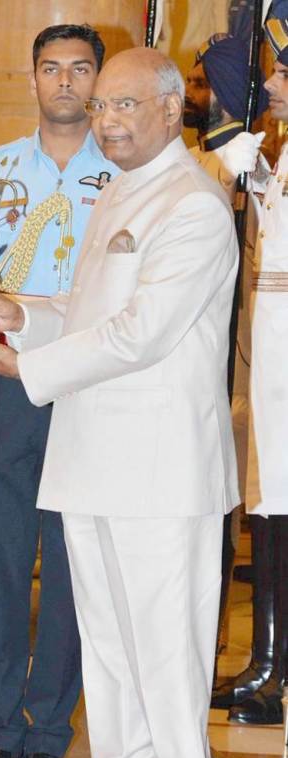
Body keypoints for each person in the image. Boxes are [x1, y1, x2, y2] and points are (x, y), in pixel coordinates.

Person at [0, 47, 239, 758]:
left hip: (158, 472)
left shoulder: (194, 205)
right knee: (112, 655)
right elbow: (88, 314)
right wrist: (21, 314)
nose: (107, 119)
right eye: (102, 106)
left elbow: (142, 333)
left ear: (171, 110)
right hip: (91, 462)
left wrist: (26, 369)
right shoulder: (118, 192)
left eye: (124, 104)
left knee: (167, 655)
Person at [0, 23, 118, 758]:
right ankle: (0, 736)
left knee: (69, 564)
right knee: (2, 559)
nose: (64, 82)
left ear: (98, 82)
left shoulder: (123, 176)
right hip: (4, 380)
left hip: (88, 383)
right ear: (32, 79)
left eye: (79, 69)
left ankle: (50, 736)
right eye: (51, 68)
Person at [183, 34, 269, 691]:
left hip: (242, 371)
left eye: (200, 83)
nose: (189, 95)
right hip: (192, 367)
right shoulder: (193, 161)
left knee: (230, 517)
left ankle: (219, 655)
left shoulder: (251, 164)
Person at [213, 11, 288, 725]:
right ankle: (270, 660)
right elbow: (265, 196)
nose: (272, 84)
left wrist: (230, 133)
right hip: (273, 353)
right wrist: (226, 129)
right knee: (270, 502)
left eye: (283, 74)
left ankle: (276, 669)